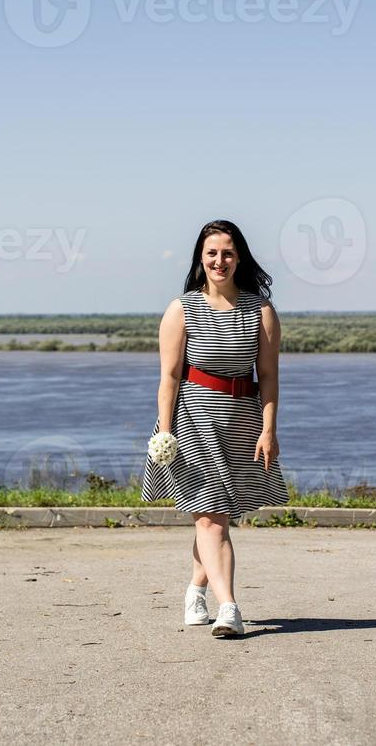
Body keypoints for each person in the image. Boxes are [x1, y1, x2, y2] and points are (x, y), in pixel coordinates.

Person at [140, 218, 289, 637]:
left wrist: (269, 430)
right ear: (200, 259)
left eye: (226, 253)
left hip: (241, 421)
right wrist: (163, 432)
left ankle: (195, 591)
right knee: (212, 521)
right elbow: (169, 377)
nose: (219, 261)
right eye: (211, 253)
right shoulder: (181, 309)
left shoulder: (261, 311)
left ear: (239, 257)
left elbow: (270, 378)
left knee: (215, 518)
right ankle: (229, 609)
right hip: (191, 421)